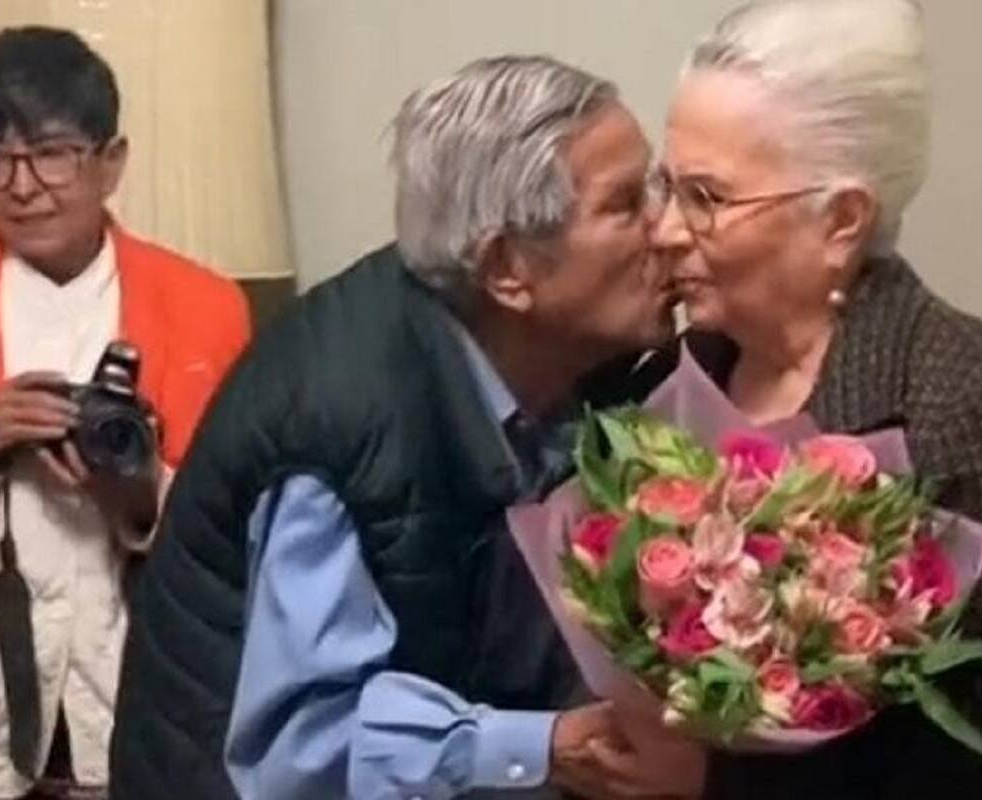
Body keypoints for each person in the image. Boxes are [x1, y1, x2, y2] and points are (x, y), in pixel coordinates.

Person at [109, 55, 707, 799]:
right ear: (507, 269)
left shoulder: (587, 363)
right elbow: (299, 749)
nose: (670, 230)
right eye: (625, 206)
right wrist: (540, 746)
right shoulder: (338, 421)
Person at [620, 0, 982, 797]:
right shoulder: (676, 375)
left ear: (839, 220)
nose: (664, 230)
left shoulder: (975, 397)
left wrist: (729, 770)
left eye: (707, 198)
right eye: (668, 186)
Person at [0, 27, 250, 800]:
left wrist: (143, 496)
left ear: (110, 161)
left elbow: (238, 525)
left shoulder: (205, 308)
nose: (22, 184)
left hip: (132, 690)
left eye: (52, 153)